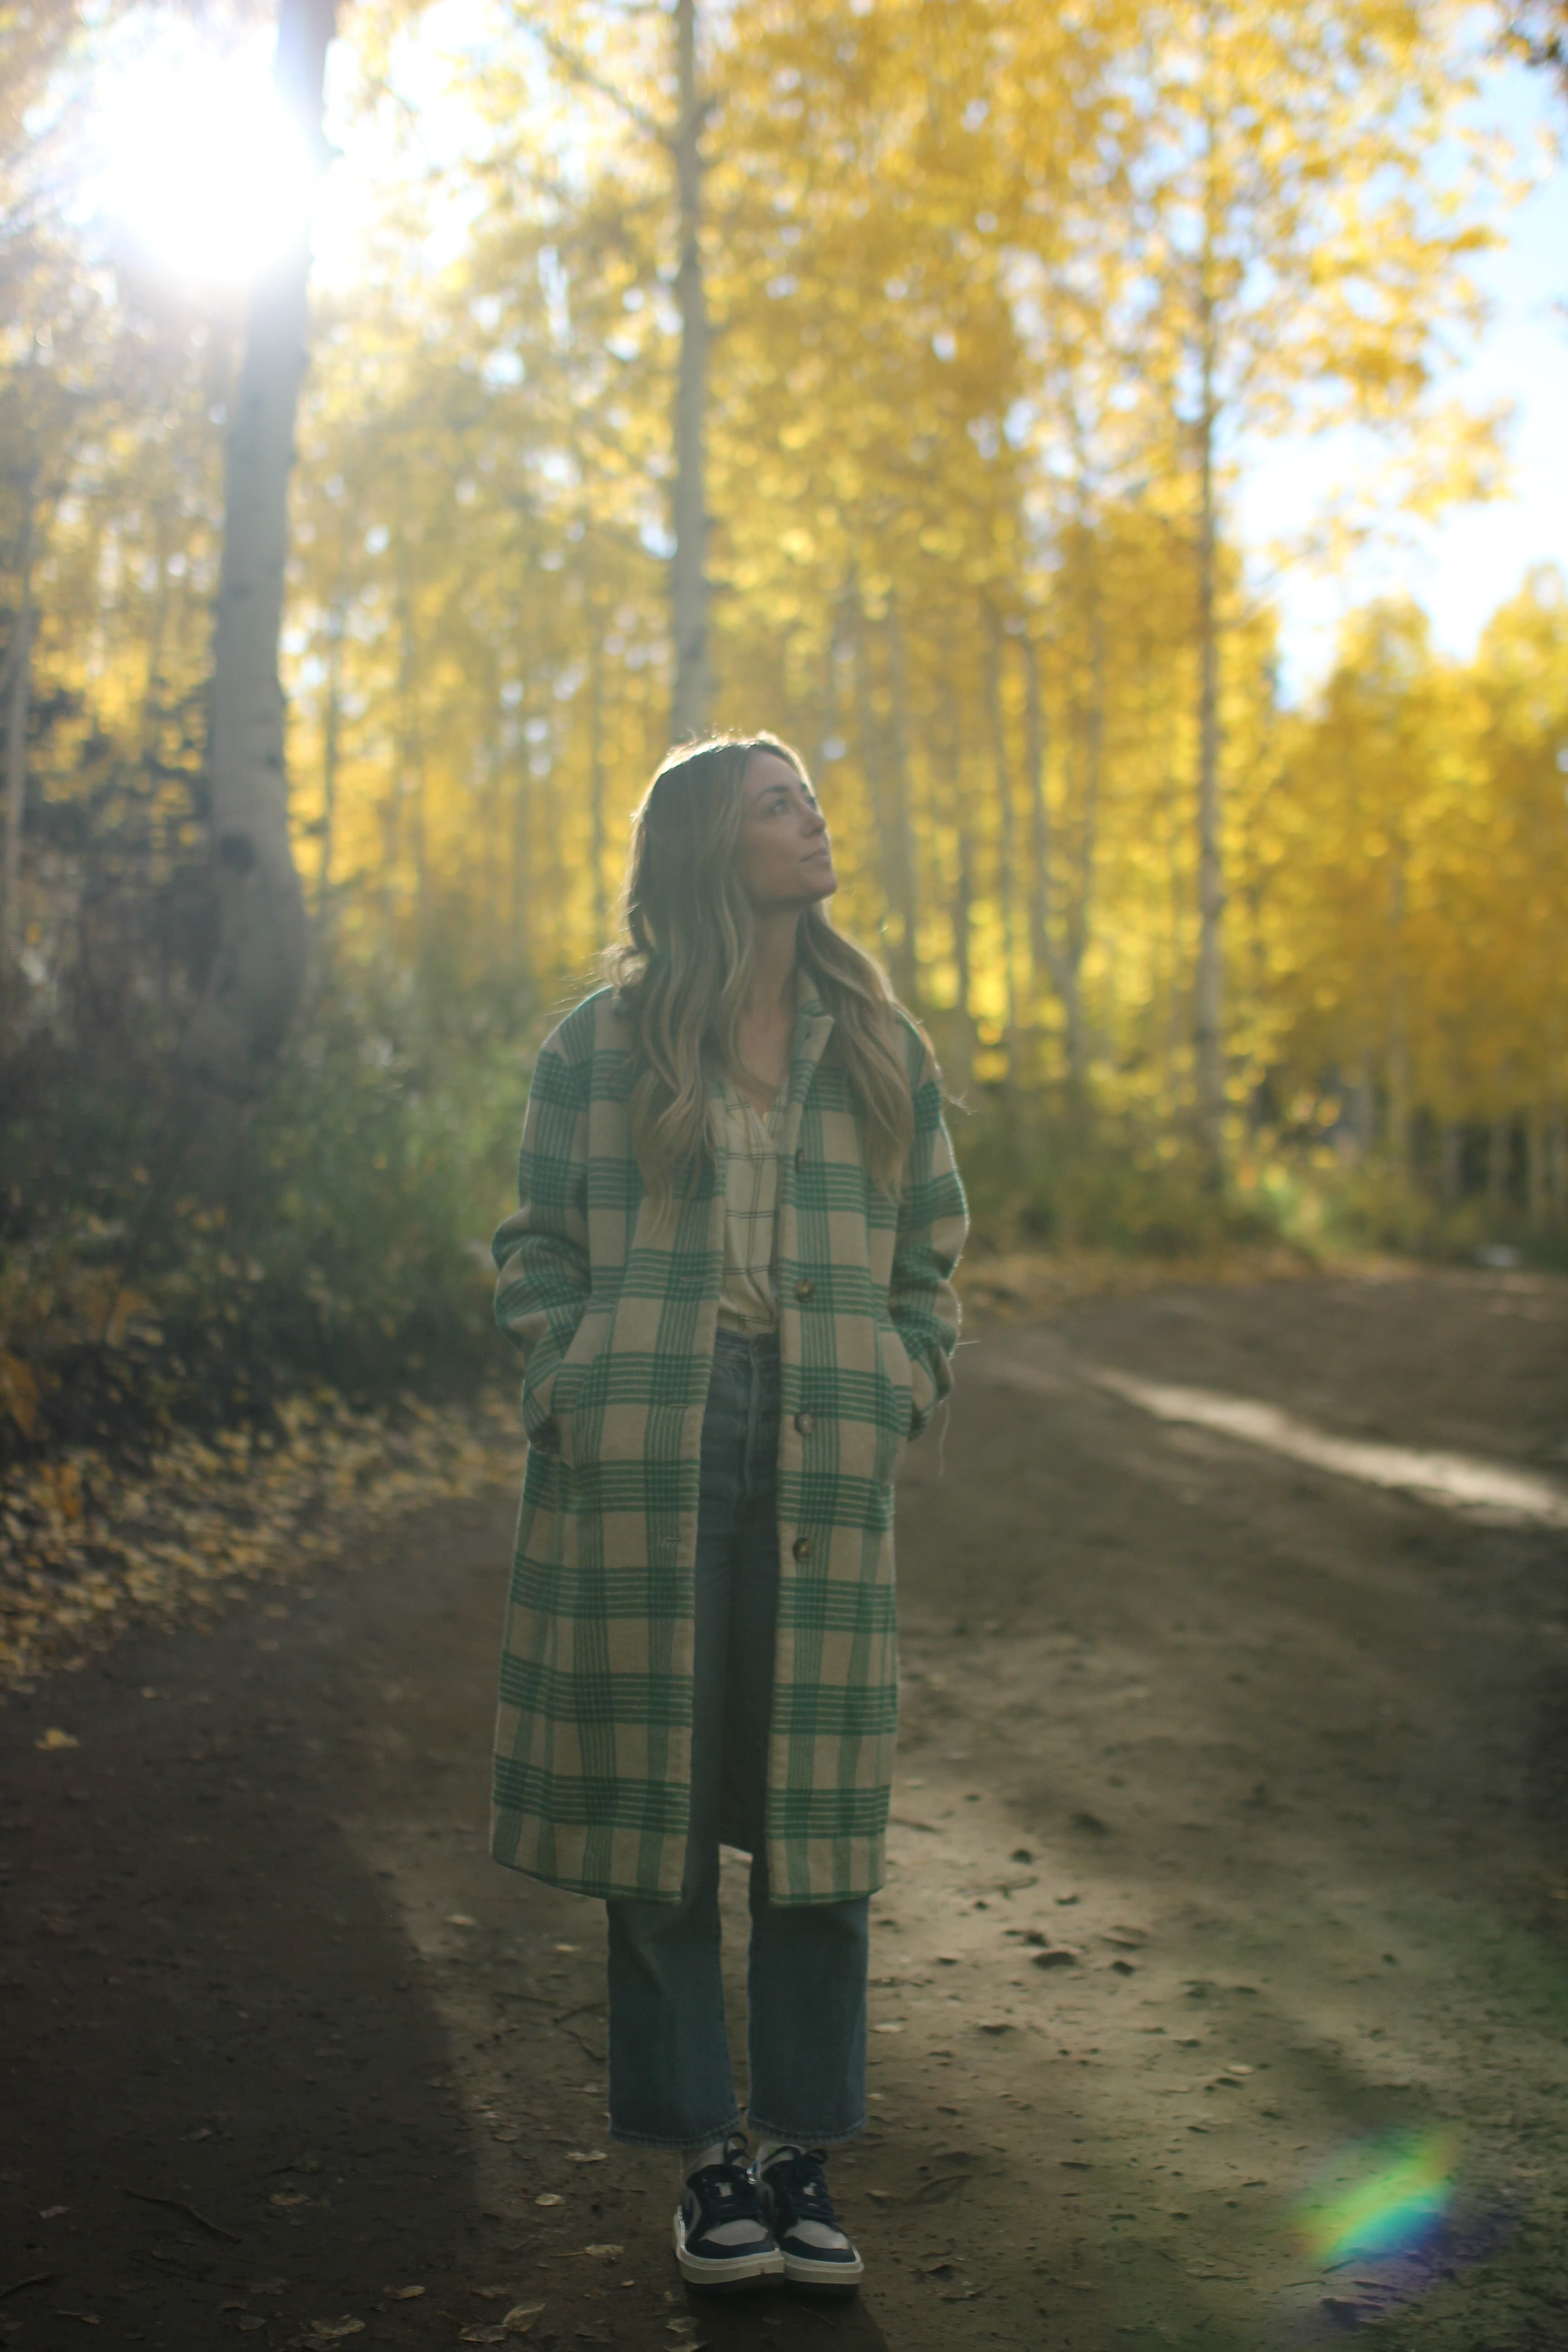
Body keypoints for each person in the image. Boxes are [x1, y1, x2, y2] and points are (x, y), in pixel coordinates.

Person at [489, 731, 967, 2296]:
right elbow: (536, 1249)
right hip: (647, 1448)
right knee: (661, 1812)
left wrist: (904, 1377)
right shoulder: (601, 1047)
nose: (814, 816)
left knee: (820, 1817)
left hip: (826, 1440)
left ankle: (805, 2159)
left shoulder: (878, 1039)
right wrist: (574, 1384)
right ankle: (710, 2169)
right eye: (778, 803)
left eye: (813, 793)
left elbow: (933, 1256)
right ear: (711, 847)